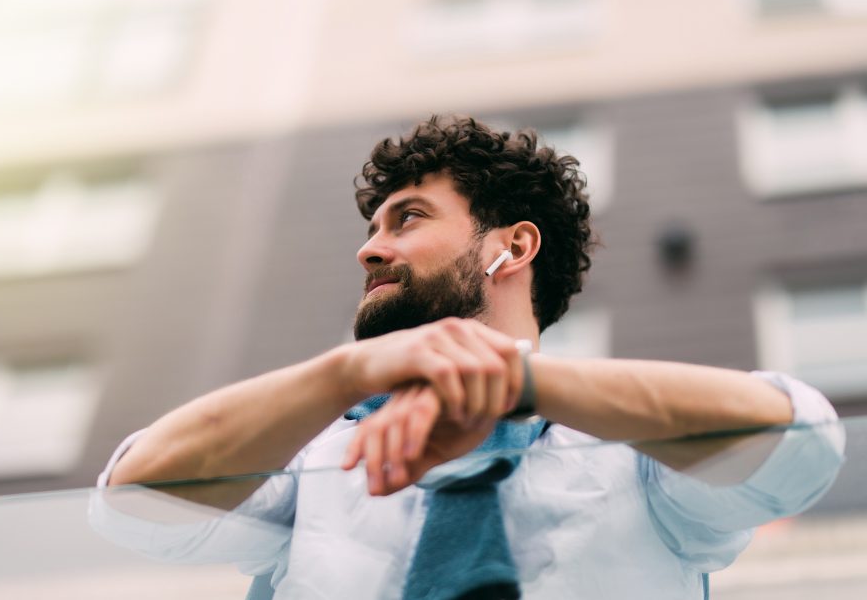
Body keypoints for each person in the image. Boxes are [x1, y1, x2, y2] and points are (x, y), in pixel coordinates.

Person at [93, 115, 844, 599]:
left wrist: (512, 381)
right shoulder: (322, 457)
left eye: (407, 217)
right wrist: (347, 373)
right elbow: (133, 504)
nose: (368, 246)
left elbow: (803, 442)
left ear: (511, 246)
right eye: (372, 225)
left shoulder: (633, 453)